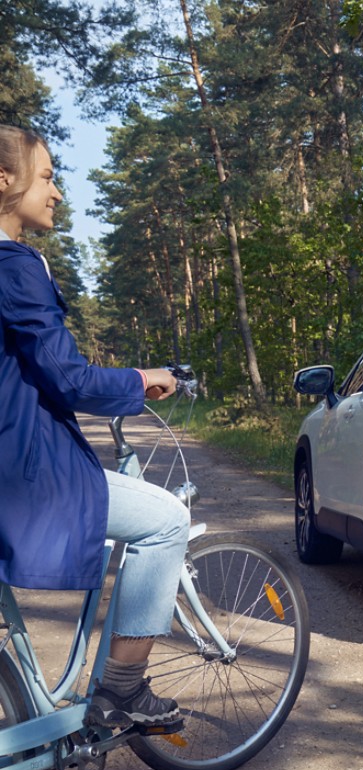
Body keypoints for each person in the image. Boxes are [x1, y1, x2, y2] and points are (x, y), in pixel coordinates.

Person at [0, 124, 187, 727]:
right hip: (24, 477)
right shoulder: (16, 265)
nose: (56, 193)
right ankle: (124, 690)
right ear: (6, 181)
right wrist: (139, 379)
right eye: (48, 177)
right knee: (166, 521)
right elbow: (70, 379)